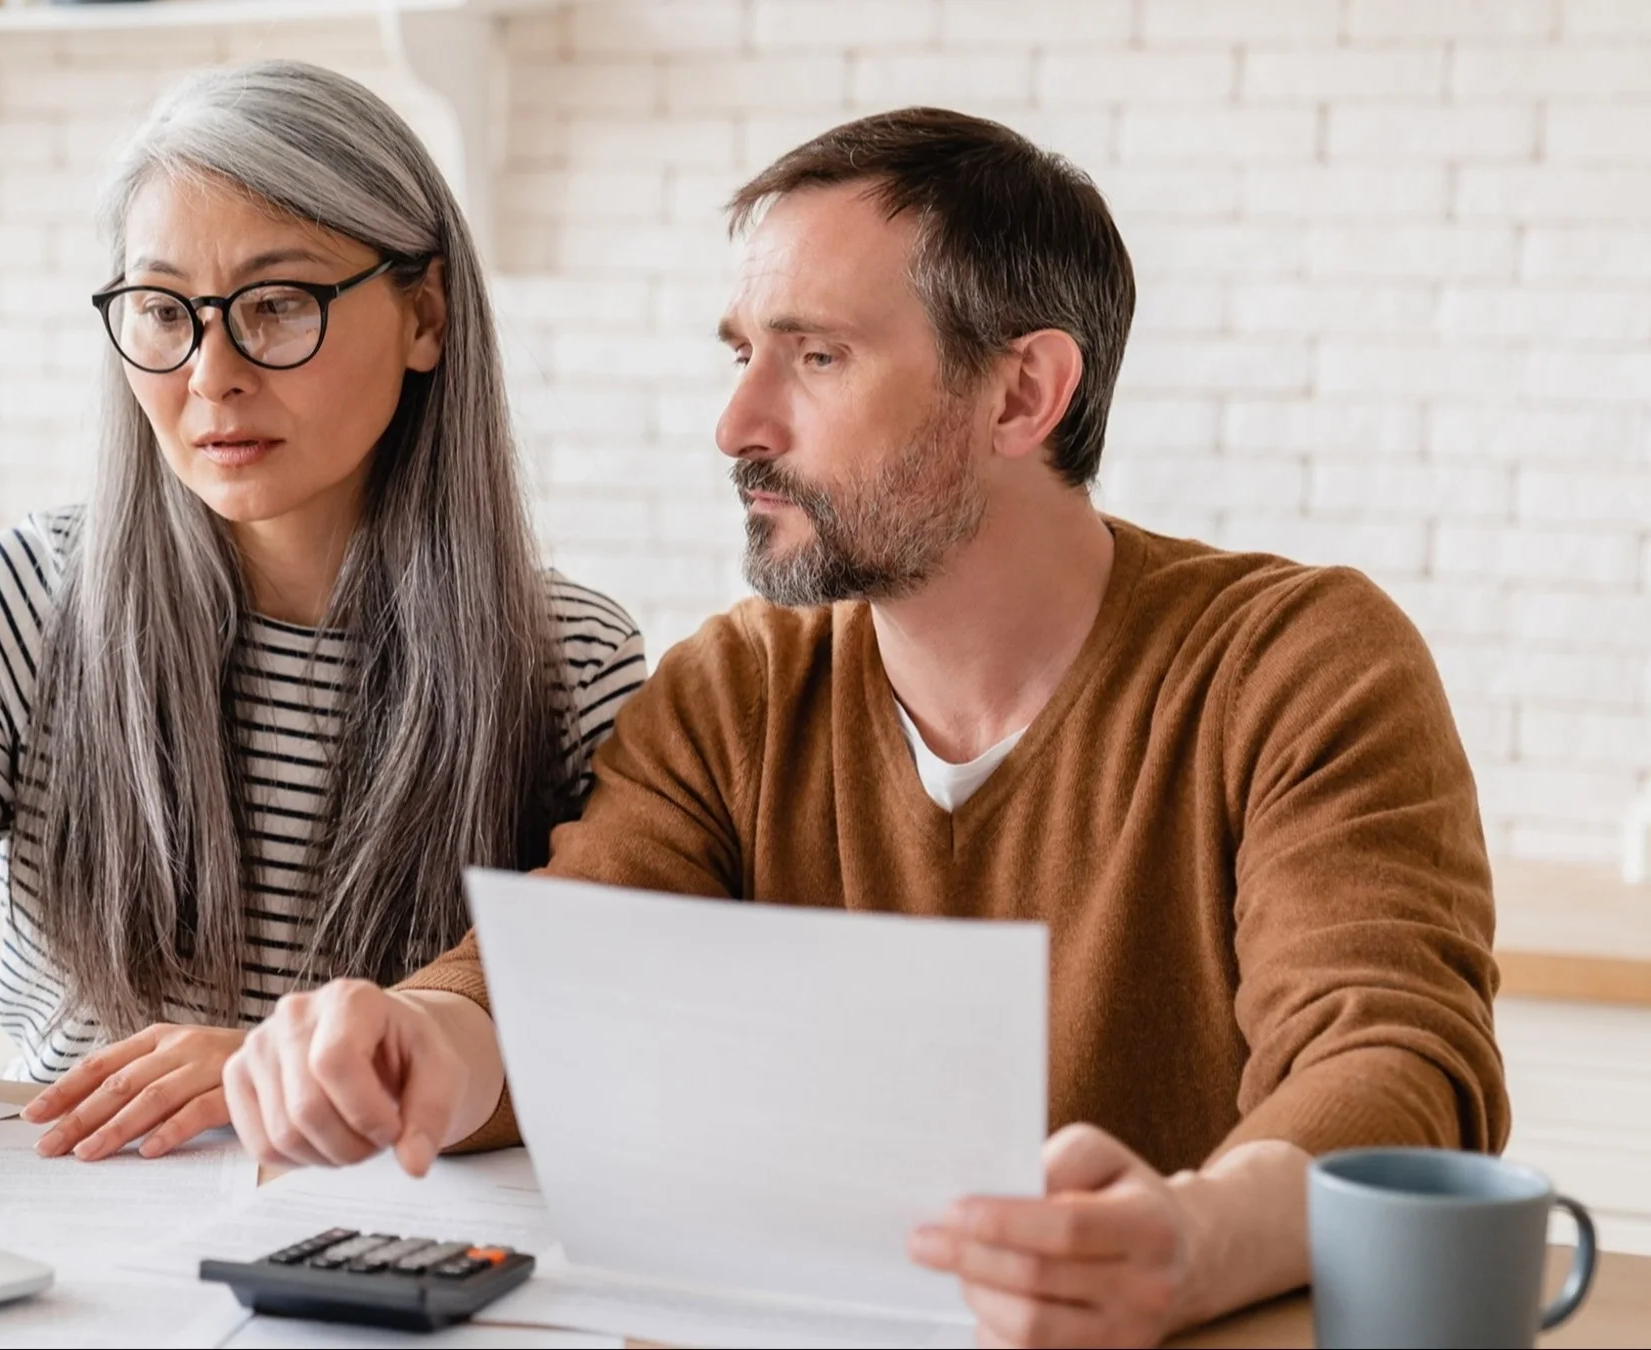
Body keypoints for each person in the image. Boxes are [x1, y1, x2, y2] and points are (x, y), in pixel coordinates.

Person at [223, 107, 1506, 1347]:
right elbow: (563, 978)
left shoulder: (1296, 664)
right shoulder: (735, 689)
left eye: (817, 357)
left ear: (1022, 395)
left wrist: (1189, 1242)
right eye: (742, 355)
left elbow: (1397, 1064)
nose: (738, 426)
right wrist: (409, 1043)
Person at [0, 61, 644, 1163]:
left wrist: (272, 1077)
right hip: (88, 1229)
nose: (212, 375)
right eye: (162, 312)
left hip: (407, 1248)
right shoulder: (14, 603)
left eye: (279, 305)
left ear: (425, 314)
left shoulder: (570, 661)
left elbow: (596, 1040)